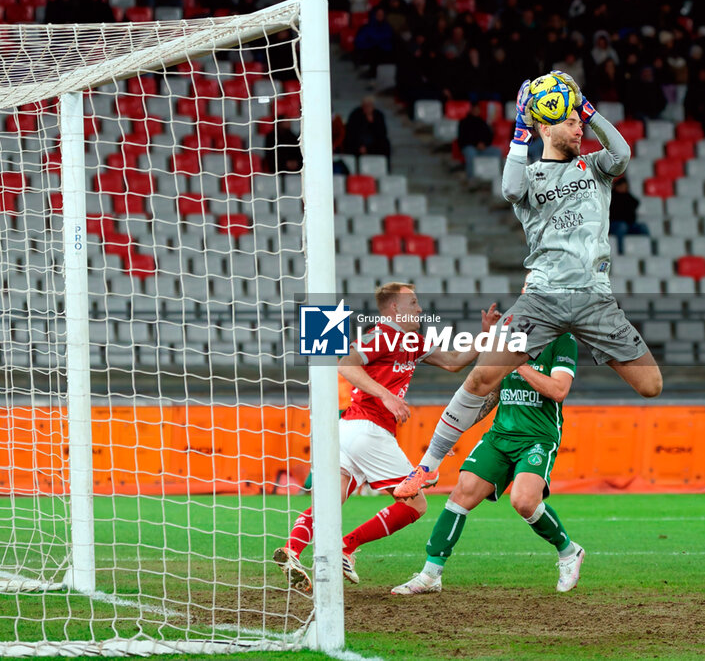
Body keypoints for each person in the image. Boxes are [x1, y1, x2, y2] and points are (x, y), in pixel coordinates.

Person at [394, 73, 663, 500]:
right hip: (542, 298)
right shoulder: (529, 176)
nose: (579, 127)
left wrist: (585, 104)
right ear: (545, 125)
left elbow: (622, 151)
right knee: (483, 376)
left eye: (580, 120)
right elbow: (509, 187)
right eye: (570, 120)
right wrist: (521, 123)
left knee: (652, 385)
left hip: (595, 299)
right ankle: (426, 466)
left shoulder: (595, 168)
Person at [273, 283, 501, 593]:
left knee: (332, 498)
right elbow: (345, 363)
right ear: (395, 308)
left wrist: (485, 334)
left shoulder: (412, 340)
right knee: (415, 504)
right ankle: (346, 547)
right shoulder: (381, 334)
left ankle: (292, 550)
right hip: (369, 428)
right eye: (413, 303)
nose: (420, 309)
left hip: (350, 431)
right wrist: (387, 397)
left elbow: (454, 361)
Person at [392, 333, 584, 595]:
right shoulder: (510, 339)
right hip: (499, 437)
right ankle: (430, 574)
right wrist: (453, 435)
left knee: (525, 502)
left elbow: (558, 390)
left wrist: (517, 363)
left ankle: (569, 552)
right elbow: (492, 394)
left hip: (537, 438)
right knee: (461, 494)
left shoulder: (562, 341)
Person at [457, 104, 501, 179]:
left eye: (477, 109)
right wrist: (476, 144)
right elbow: (463, 138)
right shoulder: (464, 122)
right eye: (474, 109)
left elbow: (489, 137)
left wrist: (484, 144)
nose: (476, 111)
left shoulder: (483, 122)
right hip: (469, 147)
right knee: (471, 153)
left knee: (497, 152)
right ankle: (471, 178)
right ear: (471, 110)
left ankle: (496, 176)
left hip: (483, 148)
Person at [608, 176, 649, 254]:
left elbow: (636, 203)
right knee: (622, 226)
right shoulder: (611, 197)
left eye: (625, 186)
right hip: (615, 225)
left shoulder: (628, 197)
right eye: (621, 186)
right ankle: (620, 251)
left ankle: (647, 249)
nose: (623, 188)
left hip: (629, 225)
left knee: (643, 227)